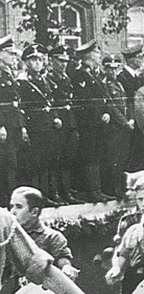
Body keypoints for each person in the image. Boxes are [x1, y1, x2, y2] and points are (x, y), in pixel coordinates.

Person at [18, 44, 63, 206]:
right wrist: (23, 127)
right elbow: (20, 107)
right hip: (34, 127)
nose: (37, 63)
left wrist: (55, 117)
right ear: (26, 63)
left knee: (47, 161)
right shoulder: (22, 82)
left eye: (39, 59)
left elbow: (50, 101)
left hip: (47, 126)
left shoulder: (44, 80)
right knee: (35, 164)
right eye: (33, 60)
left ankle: (48, 194)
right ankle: (37, 198)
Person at [72, 40, 114, 202]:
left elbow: (103, 98)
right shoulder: (81, 74)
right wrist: (98, 114)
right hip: (87, 123)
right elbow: (85, 101)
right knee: (89, 156)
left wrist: (105, 112)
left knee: (96, 155)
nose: (99, 56)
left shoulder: (95, 74)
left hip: (98, 123)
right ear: (89, 55)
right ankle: (91, 191)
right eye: (97, 53)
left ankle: (98, 190)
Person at [46, 45, 81, 204]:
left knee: (68, 158)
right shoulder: (48, 79)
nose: (63, 64)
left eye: (66, 61)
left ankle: (66, 191)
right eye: (60, 61)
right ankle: (55, 192)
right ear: (51, 61)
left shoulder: (66, 78)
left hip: (69, 123)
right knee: (55, 159)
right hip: (56, 124)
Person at [101, 54, 133, 198]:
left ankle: (121, 188)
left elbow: (126, 104)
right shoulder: (104, 85)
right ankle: (112, 190)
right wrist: (124, 122)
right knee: (112, 160)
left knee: (122, 159)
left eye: (115, 69)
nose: (113, 72)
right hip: (113, 127)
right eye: (110, 69)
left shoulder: (119, 84)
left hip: (123, 128)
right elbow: (111, 106)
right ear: (105, 69)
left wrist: (131, 119)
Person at [0, 35, 25, 204]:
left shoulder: (8, 74)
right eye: (10, 54)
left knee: (12, 163)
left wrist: (22, 126)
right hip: (4, 126)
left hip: (14, 124)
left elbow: (16, 103)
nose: (14, 57)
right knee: (7, 163)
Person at [118, 43, 144, 170]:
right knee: (130, 156)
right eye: (141, 56)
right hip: (130, 121)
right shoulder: (122, 77)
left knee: (139, 155)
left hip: (139, 120)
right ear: (132, 60)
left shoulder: (138, 78)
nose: (143, 59)